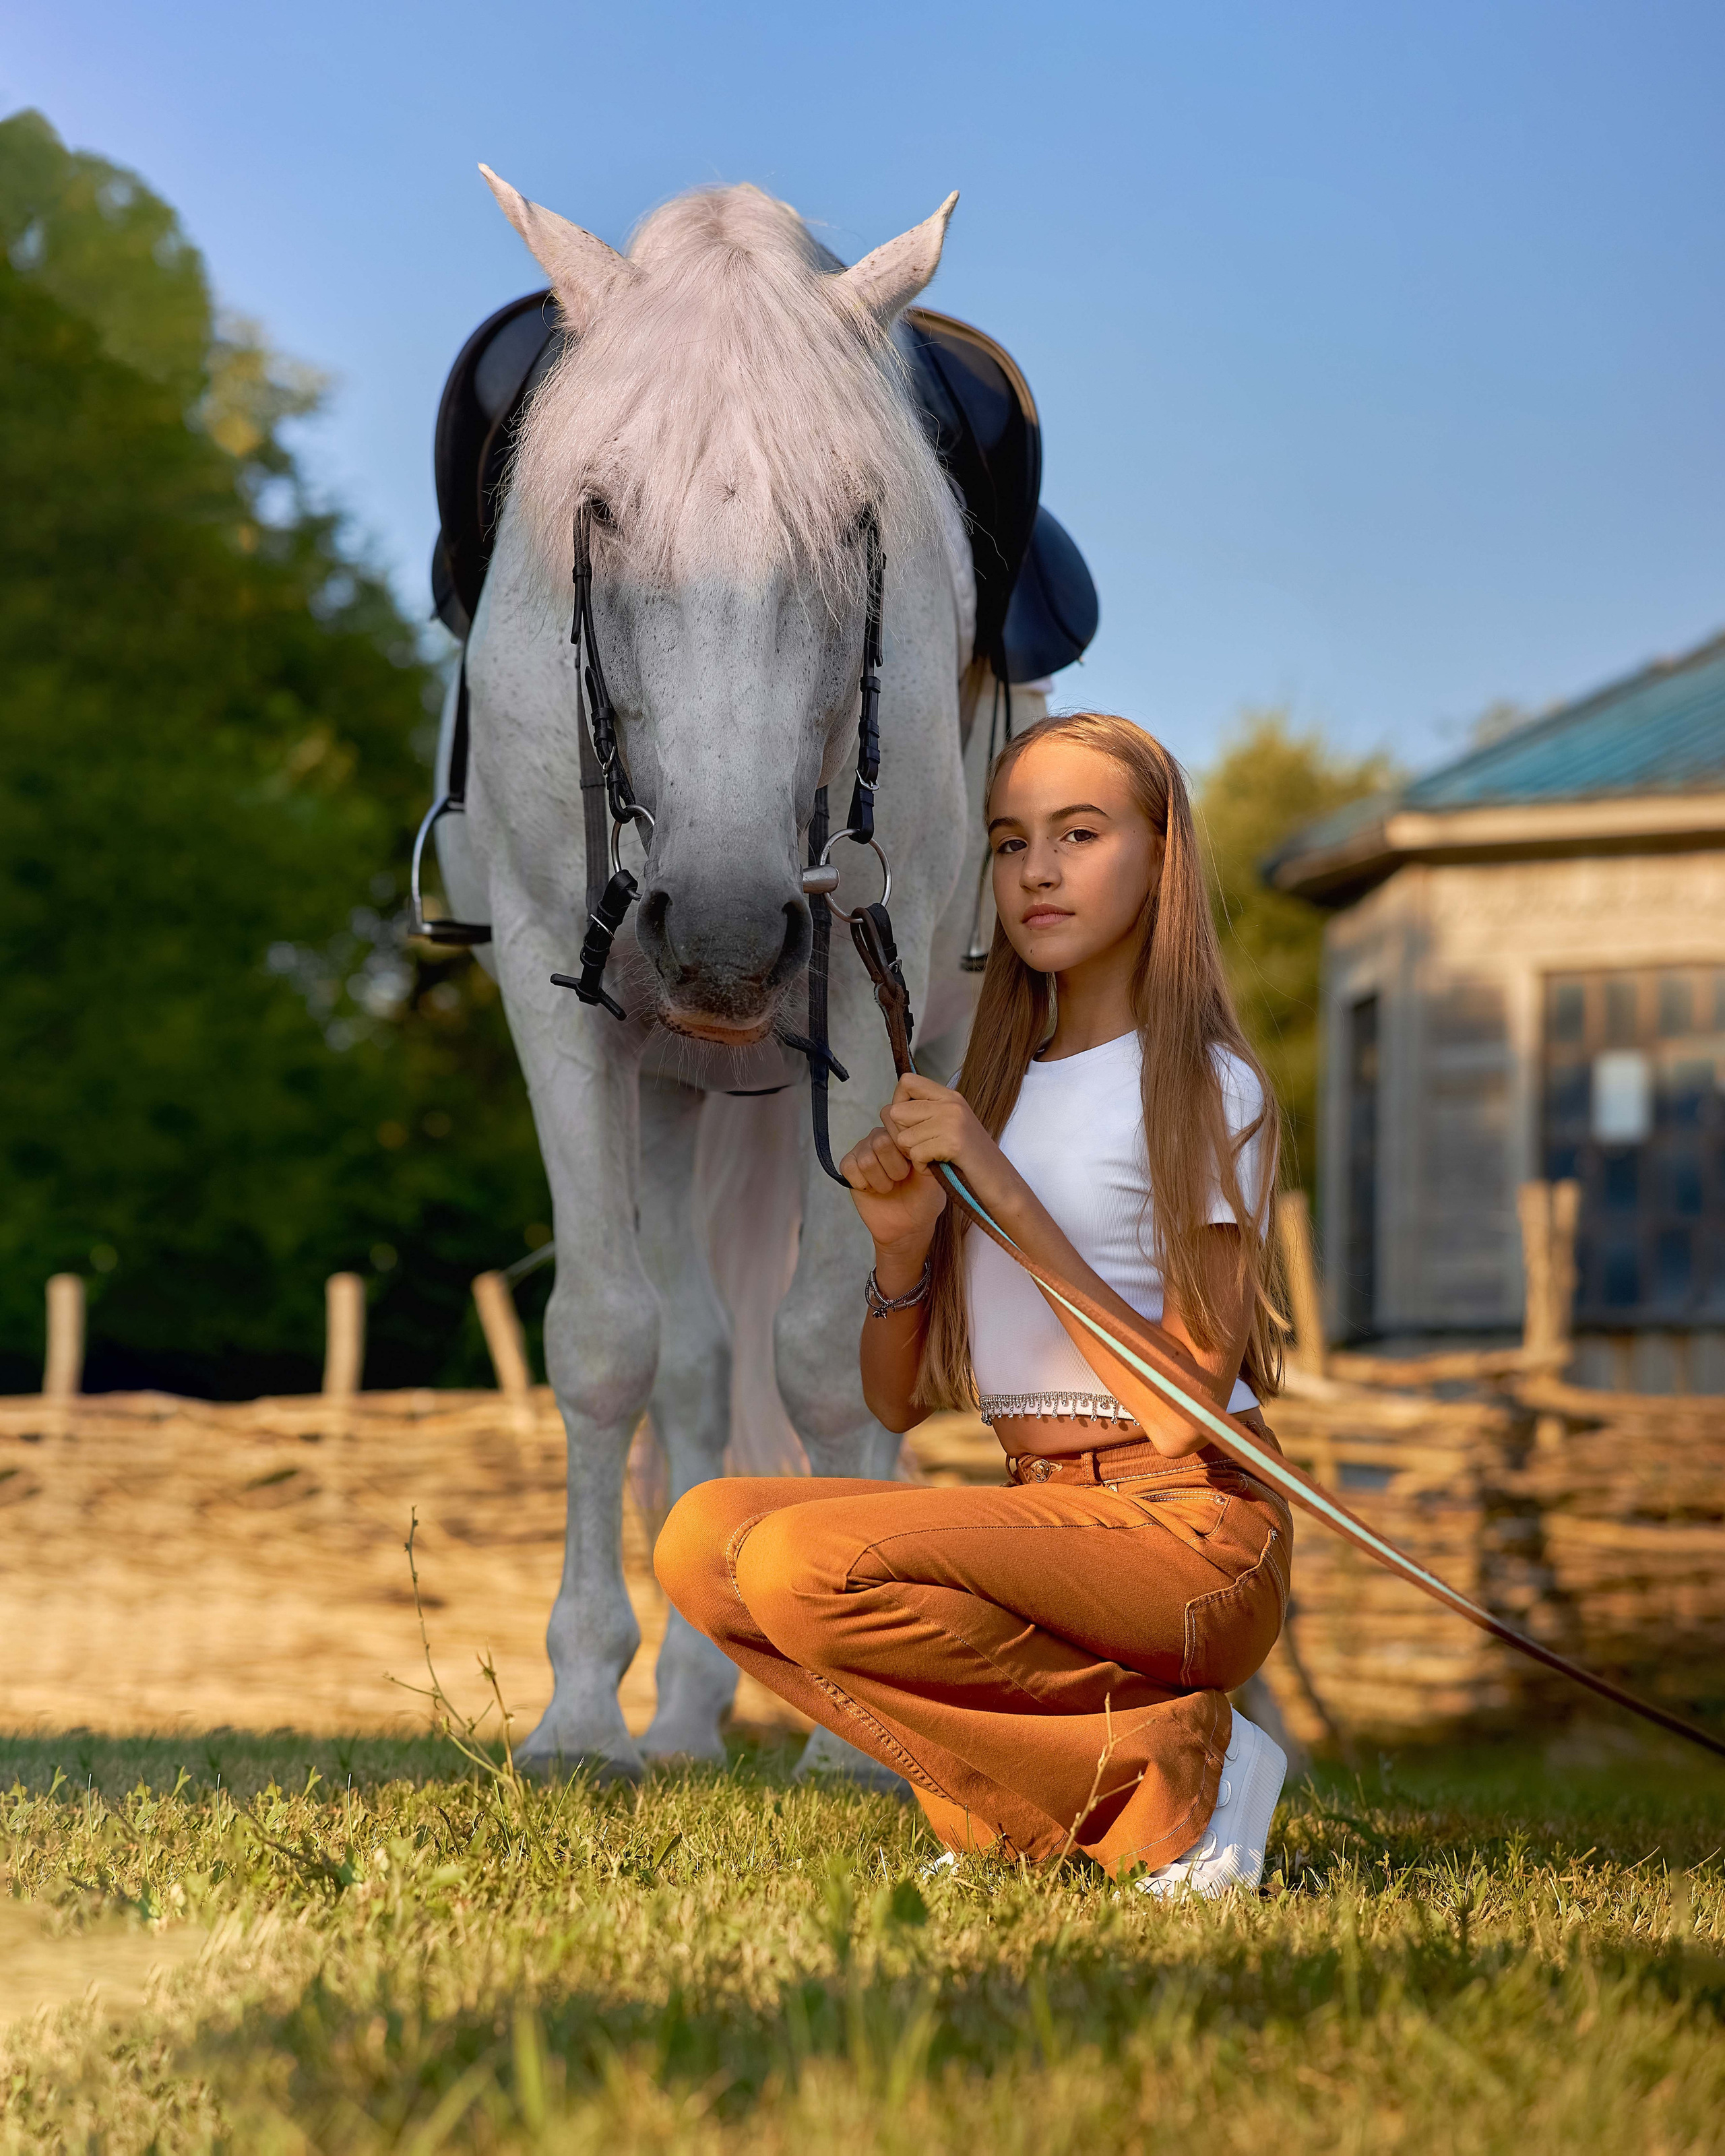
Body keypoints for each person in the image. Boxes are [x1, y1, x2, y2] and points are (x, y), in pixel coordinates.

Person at [655, 711, 1292, 1892]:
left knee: (799, 1565)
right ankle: (1077, 1794)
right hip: (1044, 1512)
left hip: (1190, 1528)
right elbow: (894, 1406)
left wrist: (993, 1183)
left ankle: (1175, 1766)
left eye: (1080, 834)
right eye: (1010, 843)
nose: (1038, 871)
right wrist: (902, 1248)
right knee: (704, 1543)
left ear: (1162, 859)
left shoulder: (1208, 1083)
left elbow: (1188, 1407)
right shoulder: (993, 1088)